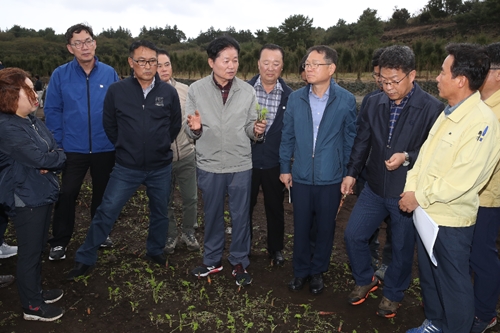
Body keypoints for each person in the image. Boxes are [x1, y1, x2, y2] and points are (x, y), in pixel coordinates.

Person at [401, 43, 500, 333]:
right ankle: (436, 323)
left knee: (454, 284)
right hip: (428, 214)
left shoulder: (482, 122)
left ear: (461, 79)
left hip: (451, 220)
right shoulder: (448, 113)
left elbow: (463, 179)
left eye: (443, 72)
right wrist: (411, 190)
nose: (437, 77)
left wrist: (419, 196)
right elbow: (424, 158)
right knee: (431, 277)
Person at [66, 40, 181, 279]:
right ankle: (86, 257)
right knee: (107, 210)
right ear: (131, 63)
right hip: (127, 166)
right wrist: (126, 147)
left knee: (160, 211)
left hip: (160, 167)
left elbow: (174, 126)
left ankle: (155, 250)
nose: (148, 66)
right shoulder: (117, 91)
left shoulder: (167, 92)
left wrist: (158, 147)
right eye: (142, 61)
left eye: (153, 61)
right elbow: (110, 125)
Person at [342, 45, 443, 318]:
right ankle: (366, 278)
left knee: (400, 248)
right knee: (353, 235)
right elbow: (361, 141)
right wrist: (351, 173)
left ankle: (393, 294)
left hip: (405, 193)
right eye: (383, 81)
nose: (388, 87)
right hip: (374, 187)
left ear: (412, 75)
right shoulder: (374, 103)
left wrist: (407, 156)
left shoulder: (432, 108)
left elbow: (437, 153)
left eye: (394, 81)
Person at [185, 36, 265, 286]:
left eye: (235, 60)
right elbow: (190, 131)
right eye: (226, 60)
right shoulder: (196, 90)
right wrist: (195, 129)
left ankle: (239, 260)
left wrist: (258, 131)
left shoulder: (247, 91)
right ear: (211, 62)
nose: (232, 65)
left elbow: (251, 129)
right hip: (209, 163)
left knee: (241, 215)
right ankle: (212, 259)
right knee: (212, 214)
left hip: (240, 164)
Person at [280, 45, 357, 295]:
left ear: (331, 68)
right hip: (301, 175)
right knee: (301, 226)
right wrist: (284, 167)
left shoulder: (345, 100)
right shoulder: (296, 98)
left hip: (330, 177)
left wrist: (348, 173)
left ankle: (317, 272)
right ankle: (300, 271)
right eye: (307, 65)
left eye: (315, 64)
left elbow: (349, 140)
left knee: (325, 228)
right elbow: (287, 135)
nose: (308, 69)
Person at [44, 23, 119, 261]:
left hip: (105, 146)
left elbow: (118, 108)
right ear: (70, 48)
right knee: (67, 193)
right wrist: (59, 143)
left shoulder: (109, 73)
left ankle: (100, 234)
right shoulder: (60, 75)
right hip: (72, 148)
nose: (84, 47)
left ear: (95, 43)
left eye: (88, 41)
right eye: (78, 43)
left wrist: (117, 139)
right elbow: (53, 110)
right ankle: (59, 240)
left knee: (103, 194)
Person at [0, 68, 66, 321]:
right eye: (27, 90)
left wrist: (52, 158)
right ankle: (32, 306)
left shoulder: (30, 120)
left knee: (37, 247)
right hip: (25, 197)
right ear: (10, 95)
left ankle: (36, 291)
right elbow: (41, 156)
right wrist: (51, 158)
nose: (35, 94)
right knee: (29, 252)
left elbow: (55, 150)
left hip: (40, 190)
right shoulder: (7, 127)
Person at [247, 44, 293, 266]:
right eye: (266, 62)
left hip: (275, 162)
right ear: (258, 63)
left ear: (282, 67)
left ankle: (275, 249)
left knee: (275, 207)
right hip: (247, 161)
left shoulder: (290, 97)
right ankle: (243, 246)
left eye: (276, 63)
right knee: (244, 206)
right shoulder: (244, 91)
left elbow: (290, 134)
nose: (270, 68)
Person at [469, 42, 500, 333]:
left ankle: (485, 313)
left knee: (481, 254)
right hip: (468, 197)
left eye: (486, 69)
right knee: (467, 254)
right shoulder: (476, 102)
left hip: (488, 198)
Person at [157, 49, 200, 254]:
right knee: (165, 200)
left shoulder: (186, 90)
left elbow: (195, 119)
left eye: (167, 64)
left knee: (191, 197)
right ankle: (170, 234)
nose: (163, 69)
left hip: (186, 153)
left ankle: (188, 231)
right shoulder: (148, 93)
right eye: (158, 65)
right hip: (162, 159)